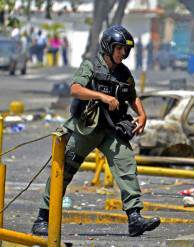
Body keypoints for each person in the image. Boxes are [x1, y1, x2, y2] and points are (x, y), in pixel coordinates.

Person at [31, 25, 160, 237]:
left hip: (111, 130)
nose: (123, 53)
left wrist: (143, 115)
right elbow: (75, 89)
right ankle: (43, 218)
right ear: (109, 47)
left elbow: (133, 96)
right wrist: (101, 96)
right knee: (63, 172)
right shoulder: (90, 65)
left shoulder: (123, 72)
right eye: (119, 48)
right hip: (85, 127)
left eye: (125, 50)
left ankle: (134, 217)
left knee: (126, 164)